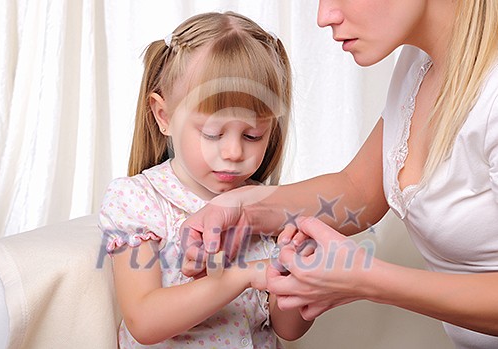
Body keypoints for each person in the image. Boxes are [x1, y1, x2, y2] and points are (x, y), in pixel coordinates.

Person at [180, 1, 498, 348]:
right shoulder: (418, 63)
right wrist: (240, 208)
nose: (324, 16)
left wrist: (368, 281)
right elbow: (358, 190)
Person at [98, 11, 313, 349]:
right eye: (213, 133)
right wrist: (241, 276)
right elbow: (144, 320)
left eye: (253, 135)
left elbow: (288, 330)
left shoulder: (266, 205)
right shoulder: (139, 199)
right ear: (163, 115)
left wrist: (297, 269)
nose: (232, 151)